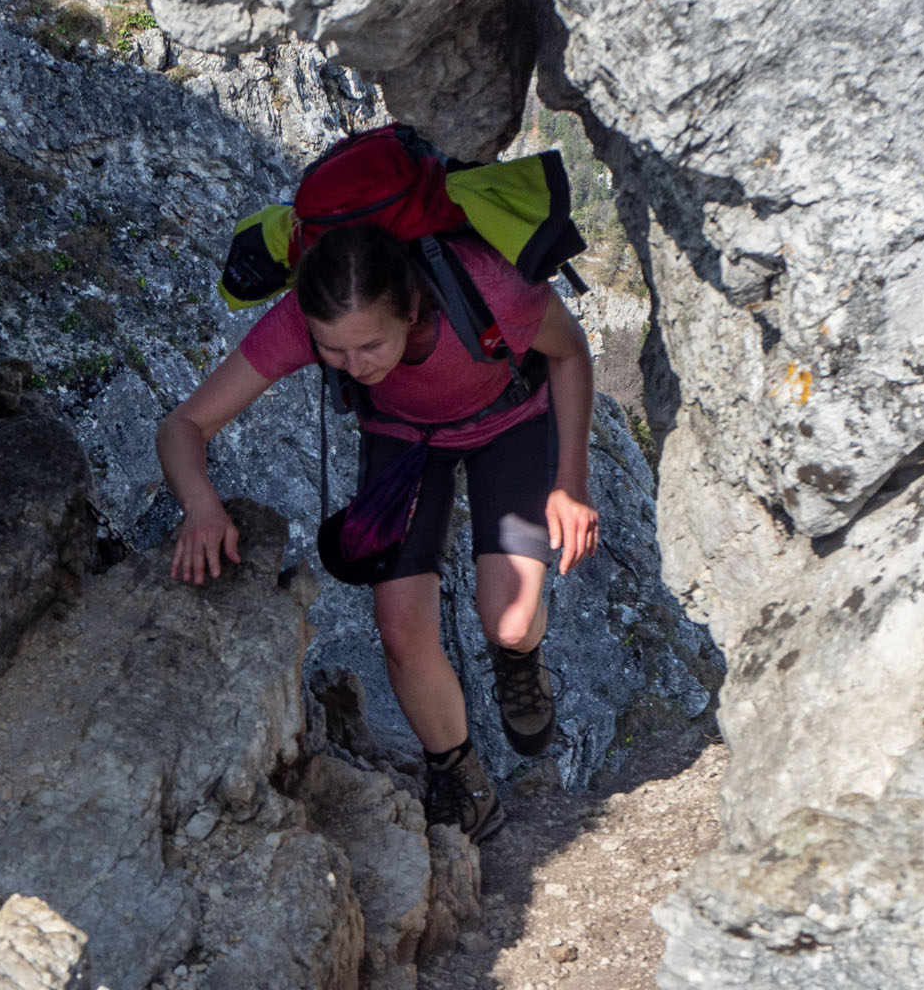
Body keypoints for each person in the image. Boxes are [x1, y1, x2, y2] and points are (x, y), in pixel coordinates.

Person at [155, 222, 600, 842]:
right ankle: (465, 784)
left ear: (412, 310)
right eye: (332, 350)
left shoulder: (490, 288)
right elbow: (184, 425)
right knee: (400, 628)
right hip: (403, 439)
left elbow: (569, 350)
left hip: (510, 422)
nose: (353, 366)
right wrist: (201, 506)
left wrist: (569, 483)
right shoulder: (307, 319)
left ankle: (519, 660)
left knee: (511, 621)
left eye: (369, 346)